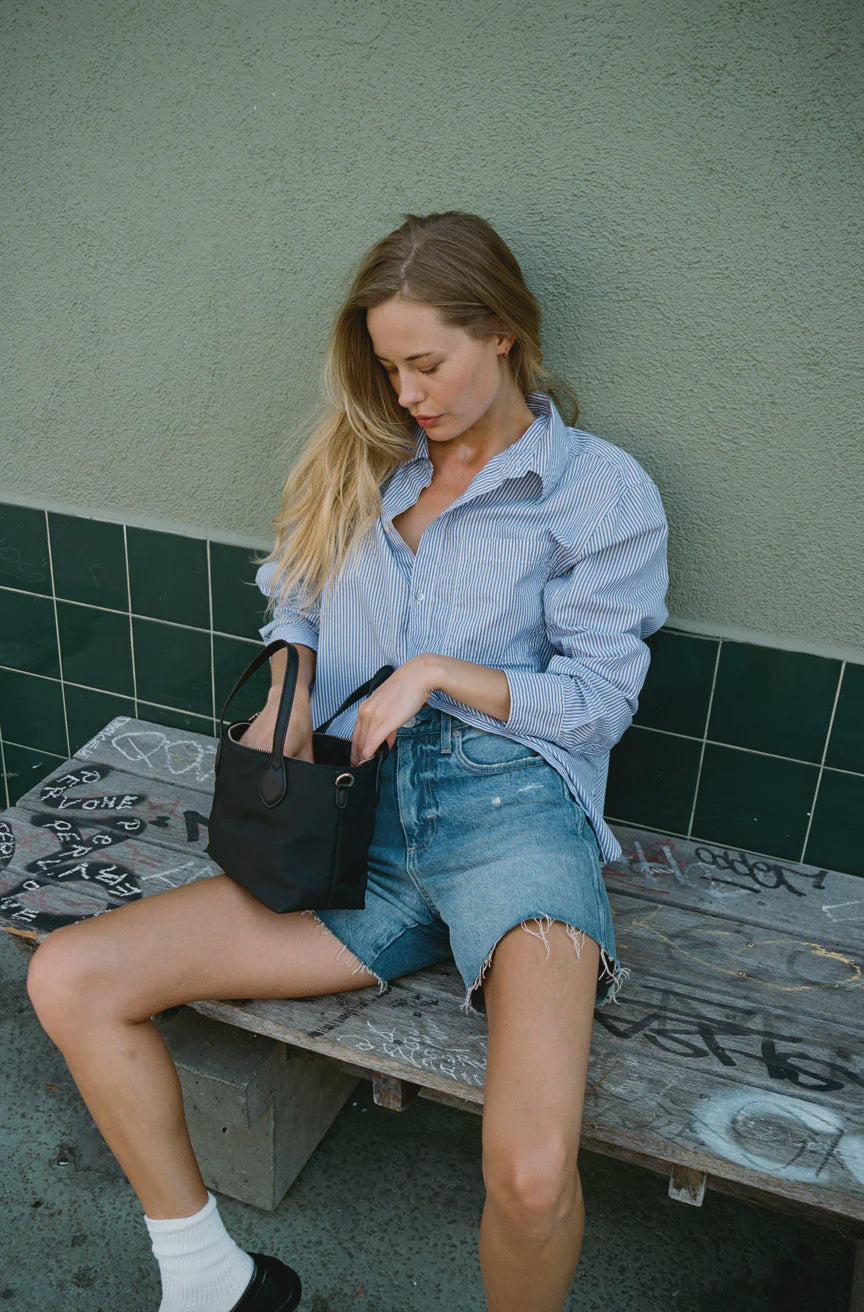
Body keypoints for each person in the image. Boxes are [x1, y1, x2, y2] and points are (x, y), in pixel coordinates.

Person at [25, 210, 669, 1312]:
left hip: (513, 819)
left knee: (526, 1169)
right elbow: (298, 604)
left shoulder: (597, 492)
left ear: (502, 332)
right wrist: (285, 690)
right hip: (351, 823)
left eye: (430, 362)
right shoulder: (365, 461)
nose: (409, 390)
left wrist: (437, 672)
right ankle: (211, 1278)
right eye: (389, 365)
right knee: (71, 975)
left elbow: (601, 703)